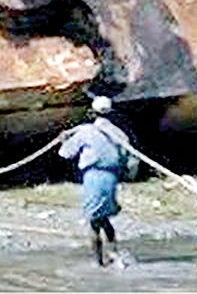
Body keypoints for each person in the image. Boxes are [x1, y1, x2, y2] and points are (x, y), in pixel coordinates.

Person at [58, 95, 131, 267]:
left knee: (93, 220)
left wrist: (64, 141)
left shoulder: (86, 132)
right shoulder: (118, 133)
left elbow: (65, 153)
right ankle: (113, 253)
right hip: (111, 177)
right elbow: (124, 156)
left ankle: (99, 262)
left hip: (94, 176)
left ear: (92, 113)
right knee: (103, 216)